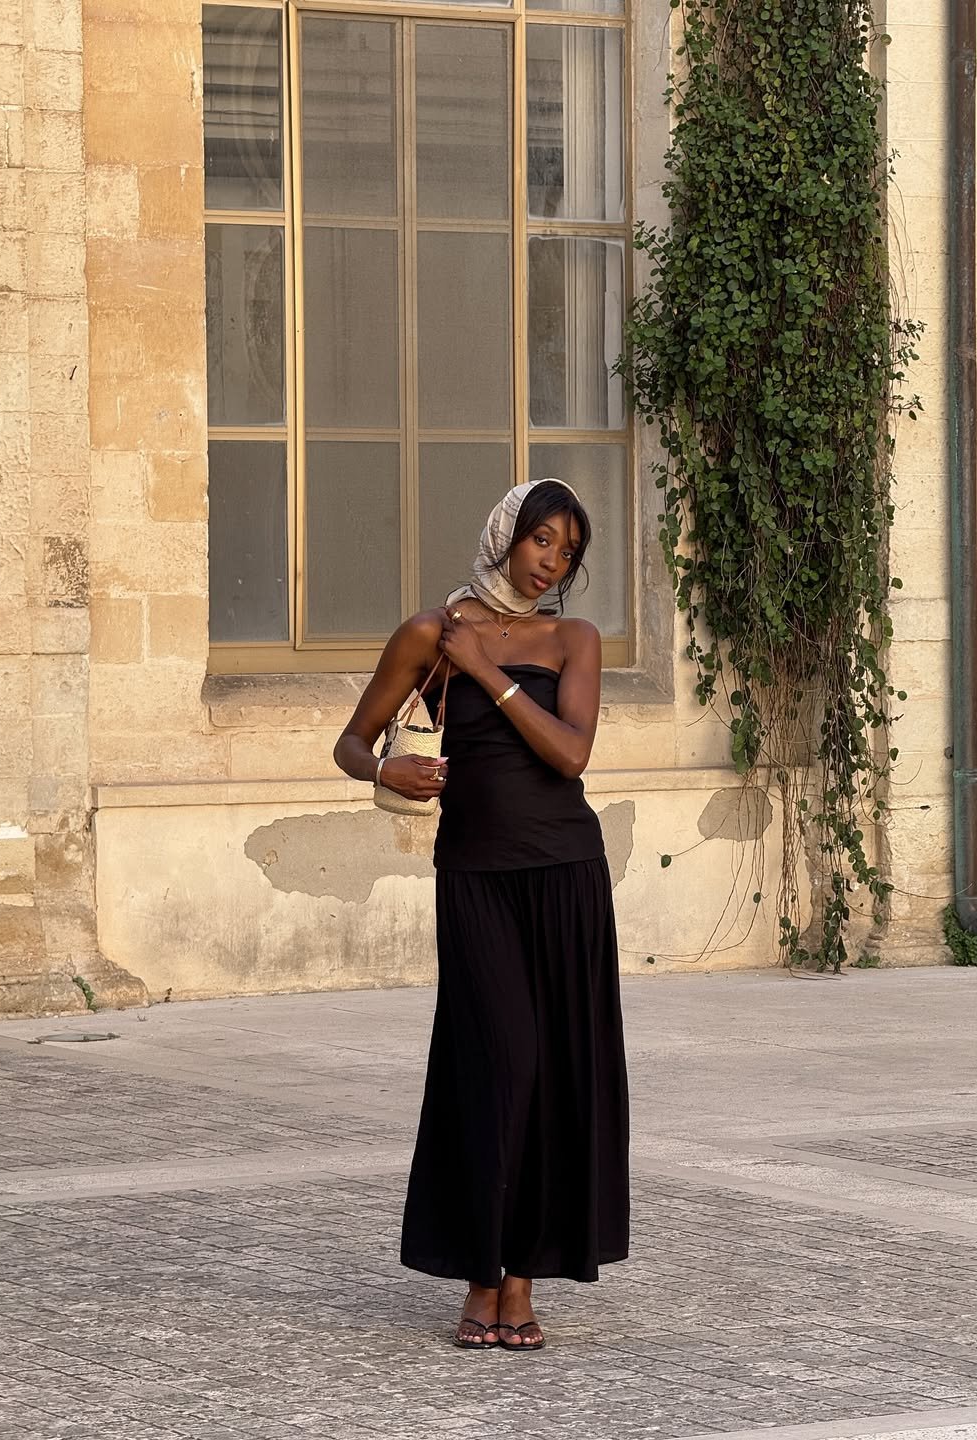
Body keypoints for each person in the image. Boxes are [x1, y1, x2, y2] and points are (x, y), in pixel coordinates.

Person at [333, 478, 630, 1353]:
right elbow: (353, 739)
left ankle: (524, 1283)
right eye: (542, 540)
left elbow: (570, 755)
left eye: (568, 551)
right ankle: (479, 1274)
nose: (552, 562)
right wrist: (381, 771)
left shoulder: (574, 638)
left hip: (566, 873)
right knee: (494, 1066)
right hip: (474, 875)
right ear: (505, 534)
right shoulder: (430, 632)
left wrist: (487, 671)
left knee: (553, 1075)